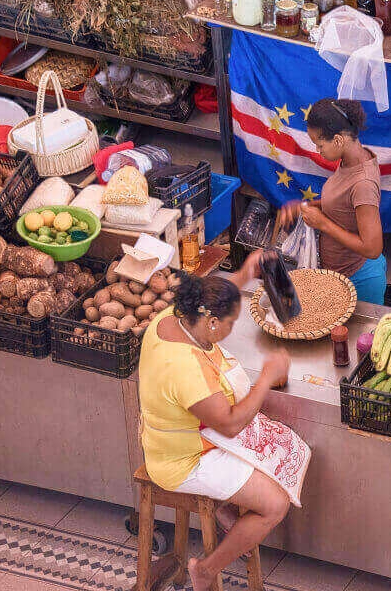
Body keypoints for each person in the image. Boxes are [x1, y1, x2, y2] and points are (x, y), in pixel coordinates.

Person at [137, 251, 311, 591]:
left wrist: (246, 272)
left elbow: (209, 296)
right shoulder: (185, 368)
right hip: (184, 458)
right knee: (274, 505)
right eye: (231, 322)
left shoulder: (176, 317)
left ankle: (225, 514)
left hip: (187, 432)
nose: (233, 328)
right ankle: (205, 569)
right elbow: (230, 424)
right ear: (213, 322)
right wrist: (265, 378)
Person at [278, 99, 387, 304]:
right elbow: (344, 204)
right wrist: (309, 207)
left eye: (320, 145)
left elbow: (373, 248)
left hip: (360, 280)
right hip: (339, 274)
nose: (318, 151)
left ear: (337, 140)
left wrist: (323, 224)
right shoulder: (350, 159)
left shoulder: (363, 182)